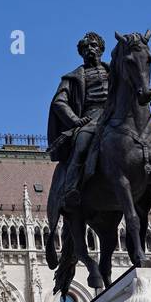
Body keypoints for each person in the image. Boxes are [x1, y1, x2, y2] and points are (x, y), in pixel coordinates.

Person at [46, 32, 110, 211]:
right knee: (82, 142)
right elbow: (59, 102)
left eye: (94, 46)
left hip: (115, 115)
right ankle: (71, 188)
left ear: (101, 49)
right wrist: (76, 120)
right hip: (90, 118)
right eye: (85, 47)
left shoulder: (115, 71)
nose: (90, 49)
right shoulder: (72, 78)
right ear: (81, 53)